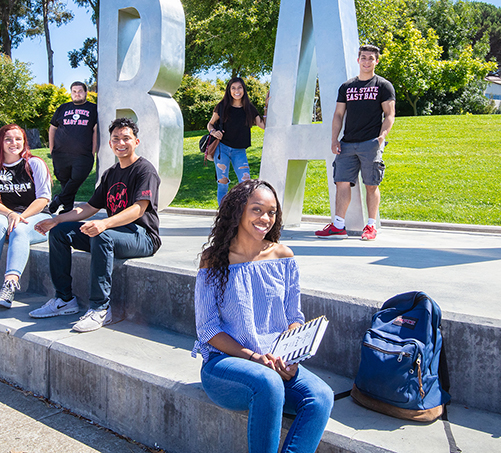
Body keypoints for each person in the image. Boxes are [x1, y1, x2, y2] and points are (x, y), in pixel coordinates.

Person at [192, 179, 334, 453]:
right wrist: (254, 357)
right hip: (226, 365)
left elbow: (294, 316)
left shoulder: (283, 256)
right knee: (267, 383)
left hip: (275, 362)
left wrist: (289, 357)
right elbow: (207, 329)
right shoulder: (214, 259)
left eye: (272, 212)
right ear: (238, 210)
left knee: (320, 396)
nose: (265, 218)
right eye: (257, 209)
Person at [30, 118, 161, 332]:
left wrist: (104, 224)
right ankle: (64, 300)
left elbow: (139, 208)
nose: (121, 142)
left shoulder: (144, 170)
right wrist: (57, 219)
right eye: (116, 138)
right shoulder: (110, 174)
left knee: (102, 235)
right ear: (110, 144)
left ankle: (100, 308)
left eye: (126, 138)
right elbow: (89, 207)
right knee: (60, 233)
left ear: (136, 141)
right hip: (115, 232)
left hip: (142, 236)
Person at [316, 44, 395, 241]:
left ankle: (370, 226)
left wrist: (382, 136)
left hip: (370, 143)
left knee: (371, 184)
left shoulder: (383, 86)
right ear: (357, 60)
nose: (366, 61)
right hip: (347, 144)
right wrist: (334, 139)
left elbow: (390, 114)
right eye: (363, 57)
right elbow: (338, 114)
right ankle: (338, 226)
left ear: (377, 61)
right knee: (341, 183)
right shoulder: (347, 87)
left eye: (370, 58)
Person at [0, 124, 53, 308]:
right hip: (8, 216)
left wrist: (20, 216)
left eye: (18, 139)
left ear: (24, 142)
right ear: (0, 143)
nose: (14, 143)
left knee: (19, 230)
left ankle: (10, 284)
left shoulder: (34, 164)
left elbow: (43, 198)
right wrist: (10, 214)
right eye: (8, 139)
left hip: (38, 216)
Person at [206, 77, 266, 205]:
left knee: (246, 183)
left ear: (244, 90)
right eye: (233, 88)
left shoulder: (249, 108)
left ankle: (242, 213)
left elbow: (264, 125)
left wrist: (267, 106)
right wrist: (213, 132)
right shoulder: (222, 106)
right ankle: (223, 215)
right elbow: (210, 124)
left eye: (239, 87)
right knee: (222, 183)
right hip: (222, 149)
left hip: (239, 151)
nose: (236, 91)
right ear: (229, 90)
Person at [48, 81, 98, 214]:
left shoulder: (93, 109)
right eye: (74, 91)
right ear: (71, 93)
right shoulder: (62, 108)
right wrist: (52, 149)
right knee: (64, 180)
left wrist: (92, 152)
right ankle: (68, 208)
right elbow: (53, 128)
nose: (77, 94)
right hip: (60, 153)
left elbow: (95, 130)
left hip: (83, 154)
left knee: (77, 178)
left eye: (80, 91)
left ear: (86, 92)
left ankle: (59, 200)